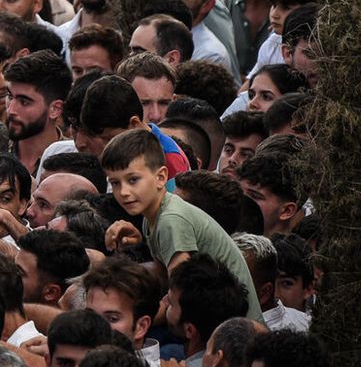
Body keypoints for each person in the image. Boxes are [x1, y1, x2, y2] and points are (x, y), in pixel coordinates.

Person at [100, 128, 262, 319]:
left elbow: (181, 293)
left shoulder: (171, 219)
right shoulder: (152, 214)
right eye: (116, 183)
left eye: (133, 180)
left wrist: (135, 321)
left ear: (161, 177)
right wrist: (140, 242)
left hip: (236, 327)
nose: (123, 192)